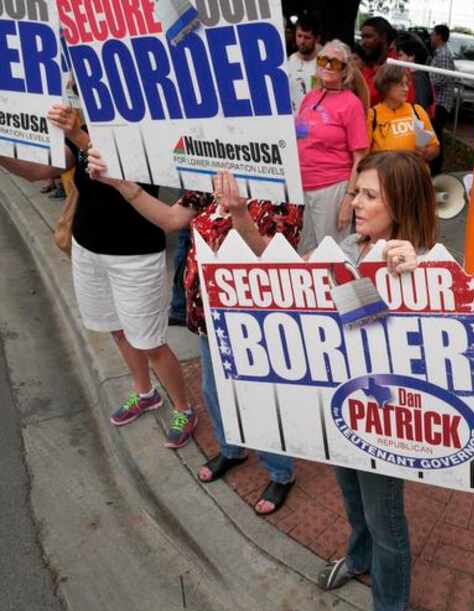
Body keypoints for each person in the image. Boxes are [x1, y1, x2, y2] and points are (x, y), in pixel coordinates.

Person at [84, 148, 302, 514]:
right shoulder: (207, 181)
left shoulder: (280, 188)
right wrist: (120, 184)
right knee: (213, 390)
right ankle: (232, 449)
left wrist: (238, 211)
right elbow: (171, 219)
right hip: (207, 315)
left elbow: (274, 256)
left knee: (258, 399)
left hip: (253, 322)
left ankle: (281, 473)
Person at [0, 104, 196, 448]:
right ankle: (145, 392)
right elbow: (39, 171)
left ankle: (184, 408)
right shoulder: (84, 127)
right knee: (118, 329)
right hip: (89, 249)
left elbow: (118, 169)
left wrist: (78, 134)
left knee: (149, 341)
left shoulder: (150, 126)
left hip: (135, 255)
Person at [316, 150, 434, 611]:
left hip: (384, 415)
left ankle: (388, 609)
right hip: (342, 398)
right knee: (351, 495)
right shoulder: (348, 245)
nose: (354, 203)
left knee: (386, 519)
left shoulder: (424, 263)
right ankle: (358, 556)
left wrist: (419, 277)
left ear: (401, 206)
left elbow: (448, 332)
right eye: (355, 192)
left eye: (369, 195)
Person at [295, 39, 370, 254]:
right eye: (323, 60)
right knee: (305, 252)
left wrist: (349, 198)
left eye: (335, 63)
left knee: (331, 254)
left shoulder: (351, 103)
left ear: (345, 70)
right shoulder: (310, 97)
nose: (328, 66)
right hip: (303, 188)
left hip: (332, 187)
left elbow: (360, 158)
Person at [368, 64, 439, 162]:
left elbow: (435, 147)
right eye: (401, 84)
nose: (406, 89)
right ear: (386, 85)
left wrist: (426, 153)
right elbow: (365, 155)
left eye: (407, 84)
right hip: (386, 175)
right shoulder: (372, 115)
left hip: (416, 174)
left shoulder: (417, 111)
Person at [360, 16, 415, 107]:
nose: (363, 42)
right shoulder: (366, 63)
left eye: (368, 37)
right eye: (362, 37)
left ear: (384, 38)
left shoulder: (399, 69)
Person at [429, 24, 456, 176]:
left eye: (433, 34)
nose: (431, 37)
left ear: (439, 36)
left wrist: (427, 80)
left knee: (436, 136)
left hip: (440, 102)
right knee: (435, 134)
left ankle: (436, 169)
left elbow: (443, 77)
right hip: (438, 102)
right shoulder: (439, 53)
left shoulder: (444, 54)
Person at [285, 14, 322, 114]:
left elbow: (360, 86)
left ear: (317, 39)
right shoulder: (287, 62)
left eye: (307, 37)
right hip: (292, 124)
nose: (302, 41)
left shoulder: (326, 63)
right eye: (299, 36)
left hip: (317, 124)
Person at [395, 34, 435, 117]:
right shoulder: (412, 75)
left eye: (400, 55)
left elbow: (420, 109)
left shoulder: (419, 78)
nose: (397, 59)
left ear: (411, 57)